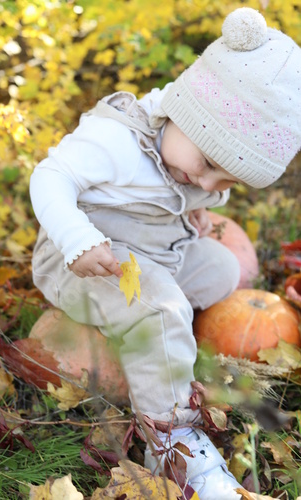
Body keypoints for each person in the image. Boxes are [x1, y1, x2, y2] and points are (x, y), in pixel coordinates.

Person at [30, 7, 301, 499]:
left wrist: (192, 212)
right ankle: (171, 437)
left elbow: (188, 188)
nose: (209, 184)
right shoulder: (116, 139)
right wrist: (77, 238)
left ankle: (152, 336)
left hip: (154, 255)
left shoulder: (188, 157)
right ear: (188, 111)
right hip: (88, 262)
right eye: (209, 166)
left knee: (221, 268)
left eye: (227, 183)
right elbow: (50, 177)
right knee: (162, 307)